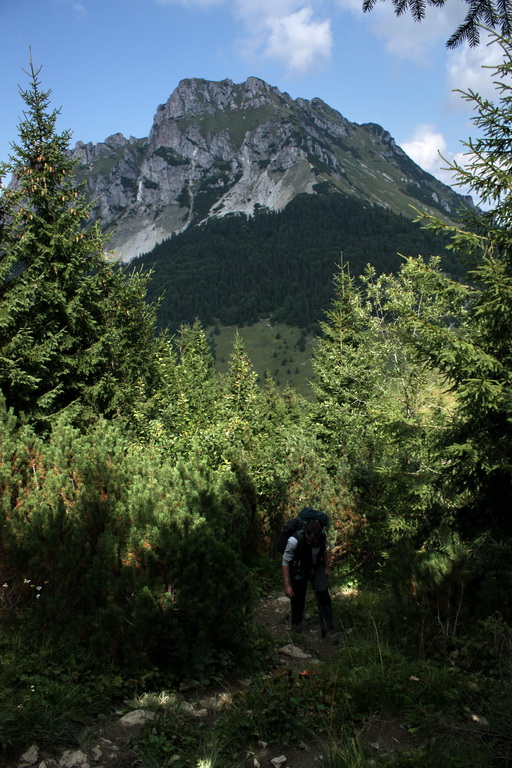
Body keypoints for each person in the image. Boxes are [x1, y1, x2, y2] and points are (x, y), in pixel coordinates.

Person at [282, 519, 336, 639]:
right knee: (298, 596)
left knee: (323, 594)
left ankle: (328, 628)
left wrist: (327, 567)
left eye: (316, 539)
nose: (314, 541)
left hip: (316, 567)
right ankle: (296, 625)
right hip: (299, 568)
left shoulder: (322, 535)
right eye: (312, 539)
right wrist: (286, 584)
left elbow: (324, 550)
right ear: (306, 533)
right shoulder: (294, 540)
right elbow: (285, 561)